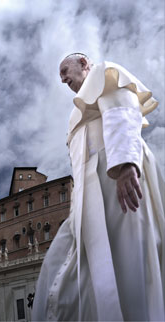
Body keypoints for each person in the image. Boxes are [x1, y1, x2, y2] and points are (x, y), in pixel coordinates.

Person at [32, 53, 165, 321]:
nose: (62, 79)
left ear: (83, 63)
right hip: (89, 197)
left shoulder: (104, 74)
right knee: (63, 266)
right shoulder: (78, 111)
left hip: (119, 177)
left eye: (64, 70)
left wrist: (126, 164)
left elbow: (122, 108)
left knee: (129, 259)